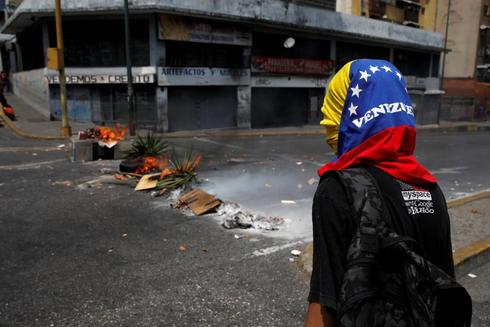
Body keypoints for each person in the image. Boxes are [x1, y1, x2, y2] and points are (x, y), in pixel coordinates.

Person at [304, 59, 456, 326]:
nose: (325, 120)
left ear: (352, 113)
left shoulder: (338, 189)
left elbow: (323, 307)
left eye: (333, 108)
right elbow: (446, 297)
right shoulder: (431, 189)